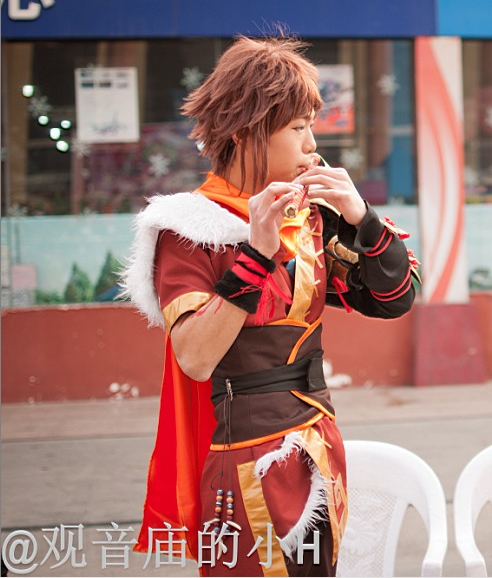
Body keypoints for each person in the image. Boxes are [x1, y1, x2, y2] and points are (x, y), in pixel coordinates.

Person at [121, 35, 418, 576]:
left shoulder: (308, 213)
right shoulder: (190, 228)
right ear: (246, 133)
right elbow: (195, 357)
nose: (312, 144)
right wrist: (257, 254)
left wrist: (362, 219)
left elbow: (393, 298)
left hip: (318, 441)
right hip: (245, 456)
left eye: (310, 126)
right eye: (298, 128)